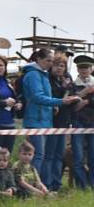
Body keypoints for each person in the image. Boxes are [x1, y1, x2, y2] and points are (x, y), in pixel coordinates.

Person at [20, 48, 80, 176]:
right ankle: (35, 185)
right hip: (36, 119)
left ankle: (42, 185)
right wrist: (60, 102)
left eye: (52, 61)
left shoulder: (43, 74)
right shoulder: (33, 75)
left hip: (46, 120)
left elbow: (45, 96)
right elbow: (37, 97)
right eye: (48, 60)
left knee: (42, 155)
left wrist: (54, 106)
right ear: (39, 59)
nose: (50, 64)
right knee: (39, 155)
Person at [45, 55, 74, 191]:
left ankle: (57, 184)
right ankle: (48, 183)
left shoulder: (67, 80)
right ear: (51, 66)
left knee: (59, 155)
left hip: (64, 121)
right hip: (52, 121)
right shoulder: (47, 80)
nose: (59, 68)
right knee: (49, 155)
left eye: (62, 66)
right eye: (56, 65)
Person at [70, 55, 94, 189]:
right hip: (78, 122)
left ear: (91, 69)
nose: (83, 70)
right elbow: (70, 104)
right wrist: (83, 93)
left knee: (93, 157)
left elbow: (78, 103)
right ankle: (82, 186)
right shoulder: (73, 85)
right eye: (81, 67)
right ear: (77, 69)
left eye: (86, 67)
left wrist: (86, 101)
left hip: (92, 122)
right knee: (78, 157)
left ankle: (92, 184)